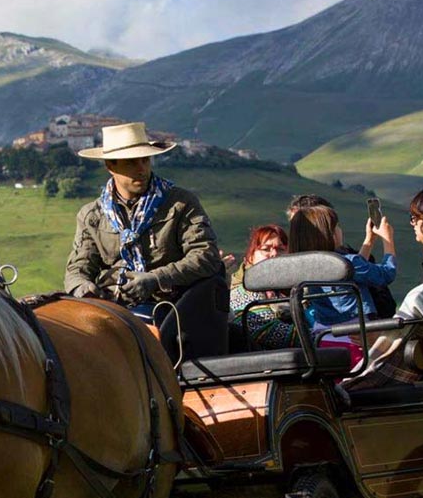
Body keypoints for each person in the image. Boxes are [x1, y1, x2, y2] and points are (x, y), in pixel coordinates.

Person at [64, 122, 222, 318]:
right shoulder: (92, 216)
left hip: (171, 307)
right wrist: (82, 287)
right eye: (131, 162)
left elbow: (205, 255)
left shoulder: (180, 203)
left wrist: (155, 279)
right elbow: (79, 266)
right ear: (110, 166)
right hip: (112, 306)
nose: (141, 169)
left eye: (145, 160)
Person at [288, 193, 397, 317]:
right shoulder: (347, 262)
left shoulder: (305, 266)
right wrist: (388, 240)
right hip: (356, 328)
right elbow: (387, 273)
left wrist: (369, 240)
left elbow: (352, 270)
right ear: (328, 234)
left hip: (324, 330)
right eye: (336, 226)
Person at [229, 224, 299, 350]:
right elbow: (266, 330)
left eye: (281, 249)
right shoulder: (242, 291)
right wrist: (319, 336)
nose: (274, 254)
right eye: (266, 249)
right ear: (250, 257)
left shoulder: (296, 288)